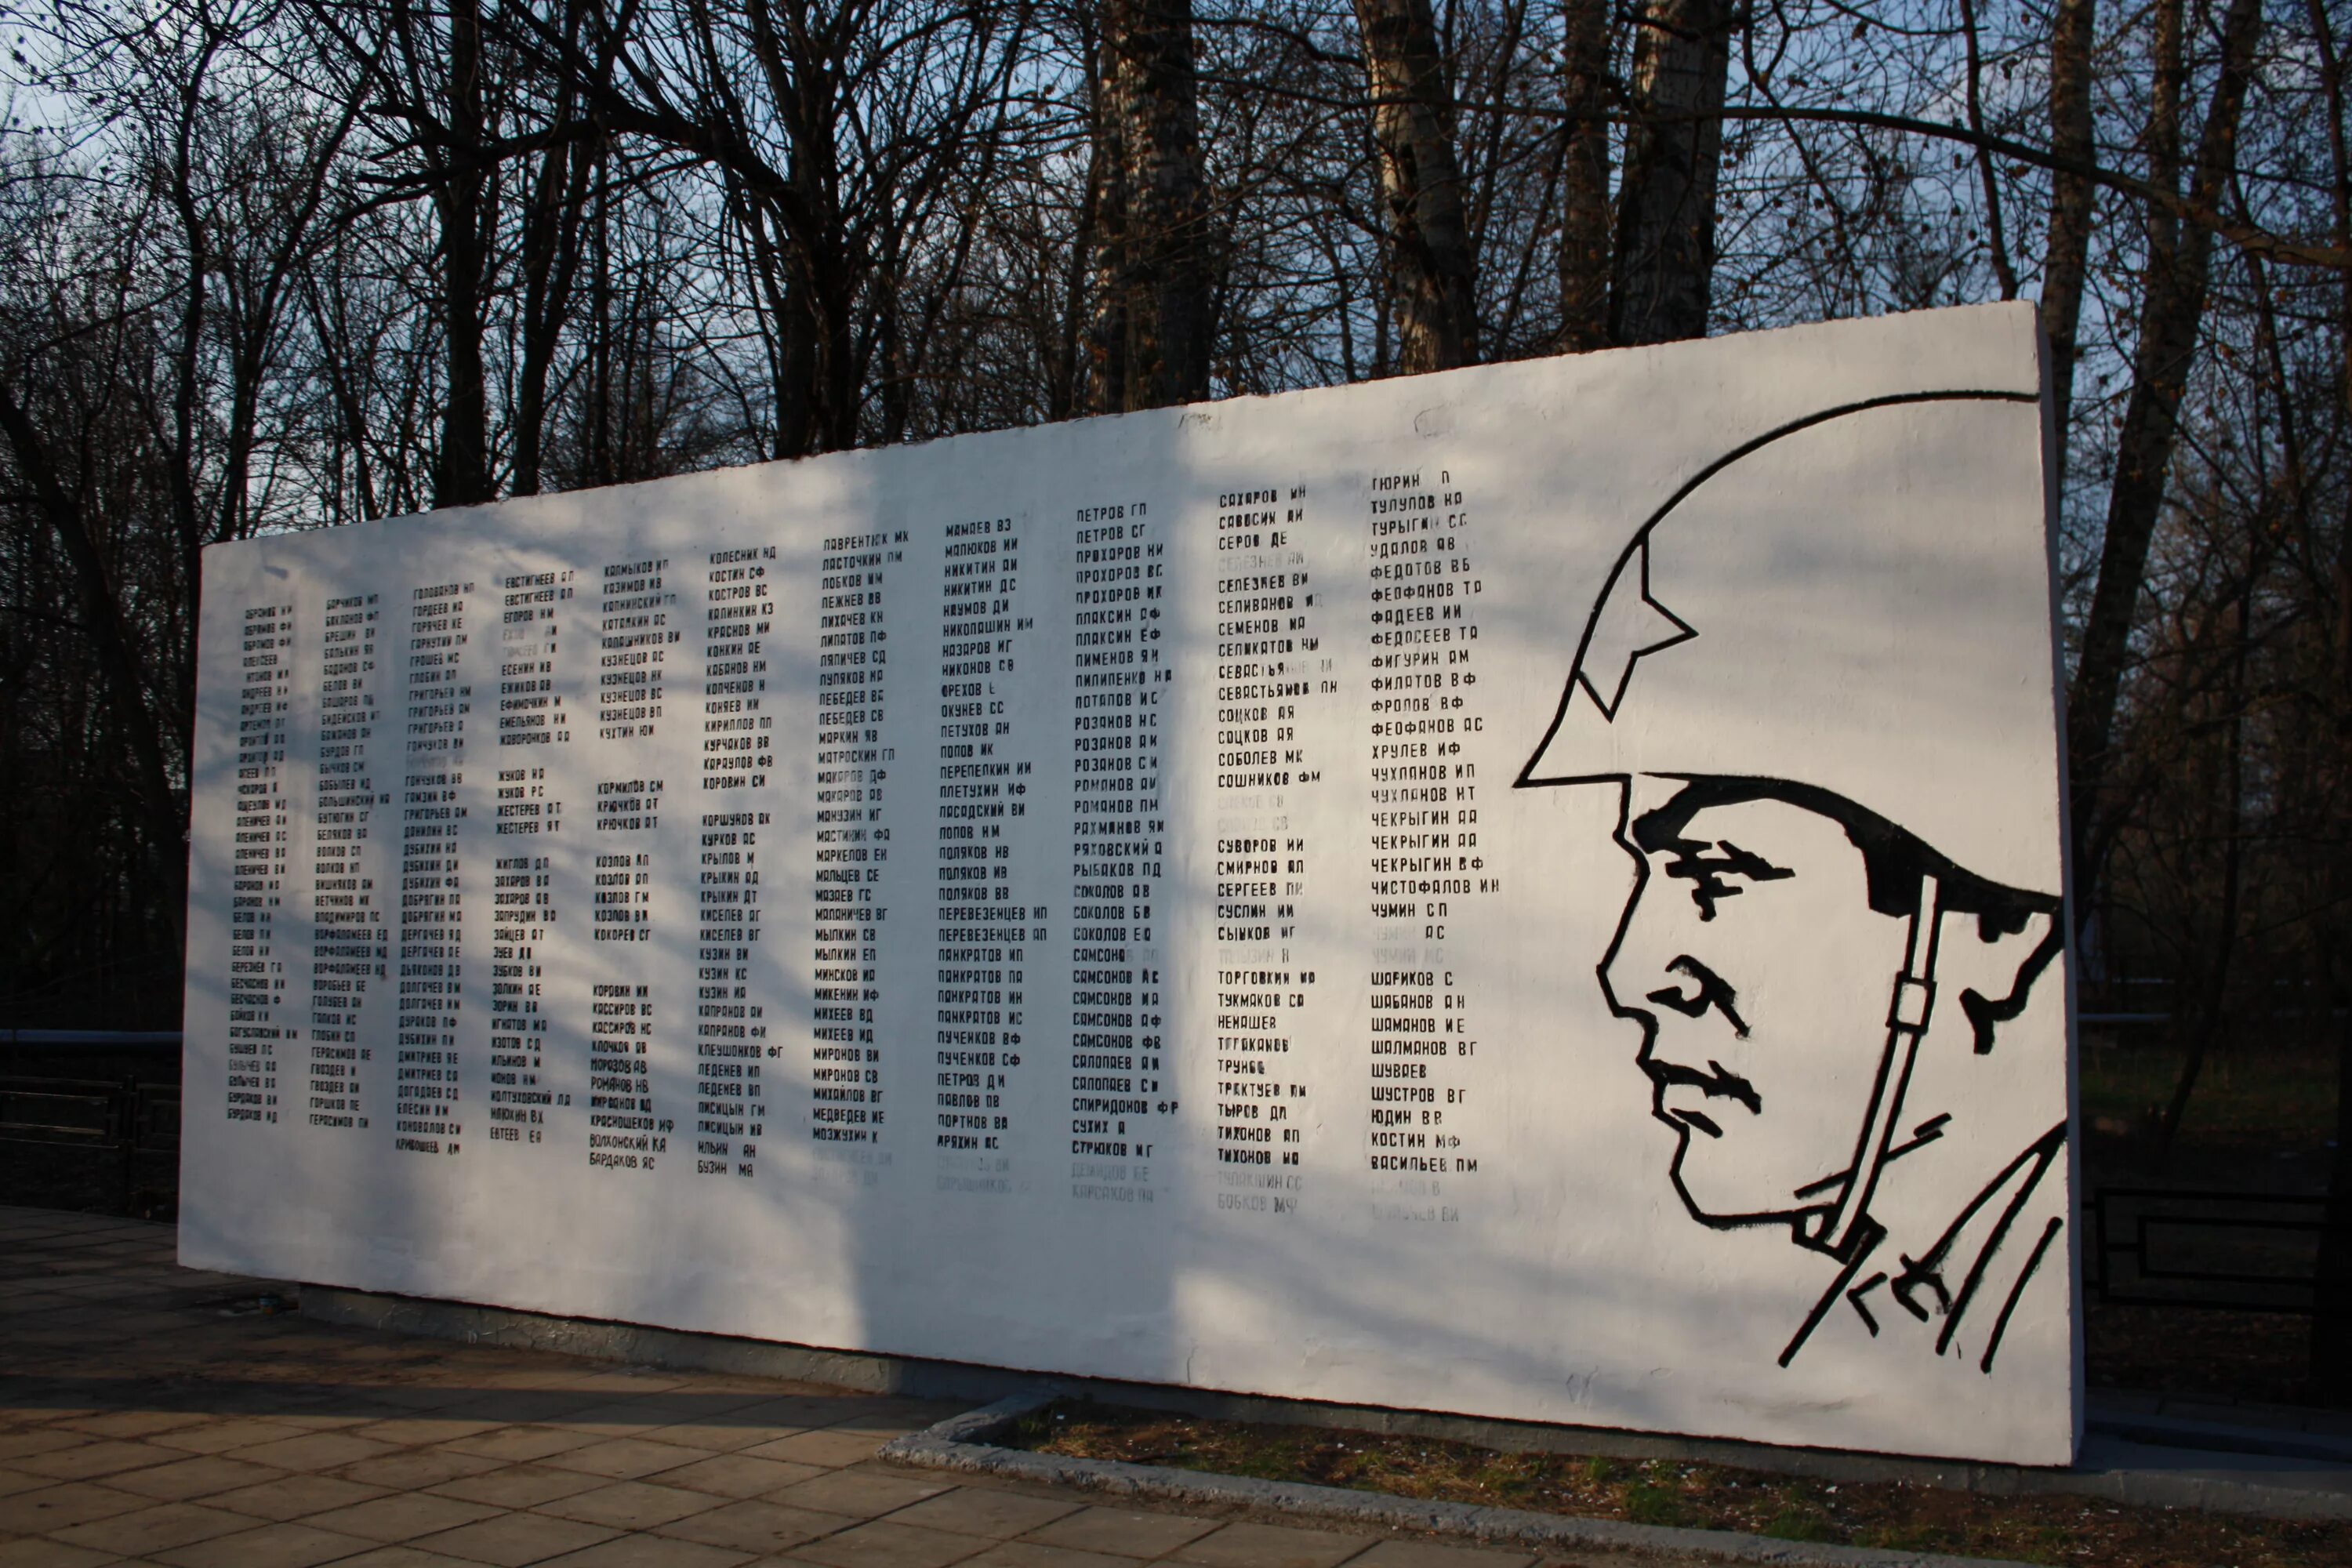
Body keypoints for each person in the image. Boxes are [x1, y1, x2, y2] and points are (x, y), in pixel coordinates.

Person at [1515, 391, 2071, 1371]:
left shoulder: (1986, 1301)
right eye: (1646, 873)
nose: (1630, 972)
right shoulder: (1903, 1303)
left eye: (1715, 878)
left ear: (1995, 938)